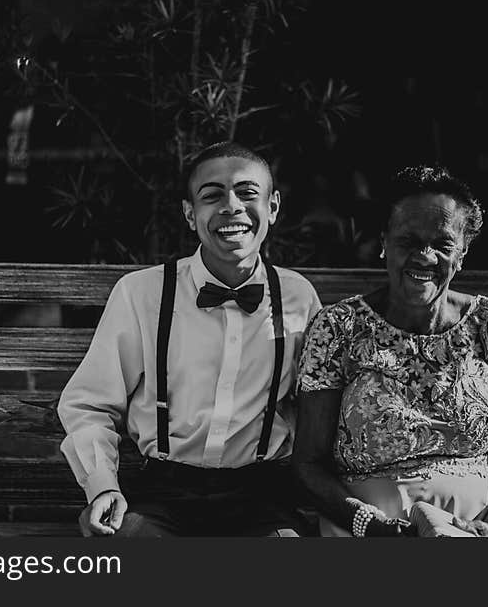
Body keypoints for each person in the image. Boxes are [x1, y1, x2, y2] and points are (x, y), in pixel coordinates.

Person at [58, 141, 322, 536]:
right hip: (163, 493)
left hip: (263, 495)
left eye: (247, 193)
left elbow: (314, 408)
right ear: (189, 213)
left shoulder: (298, 297)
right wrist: (102, 487)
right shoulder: (142, 293)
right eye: (212, 195)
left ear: (273, 207)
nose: (231, 206)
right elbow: (90, 404)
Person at [292, 165, 488, 537]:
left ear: (462, 252)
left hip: (475, 530)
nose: (424, 256)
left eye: (442, 244)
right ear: (383, 243)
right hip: (368, 531)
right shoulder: (338, 327)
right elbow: (309, 463)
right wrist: (372, 526)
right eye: (408, 241)